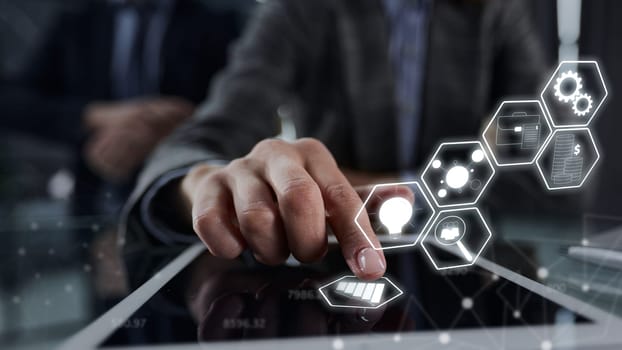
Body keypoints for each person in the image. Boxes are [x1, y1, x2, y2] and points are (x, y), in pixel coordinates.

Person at [124, 0, 548, 281]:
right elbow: (201, 141)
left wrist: (373, 183)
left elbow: (552, 164)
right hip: (328, 268)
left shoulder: (496, 11)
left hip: (474, 268)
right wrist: (203, 184)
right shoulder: (299, 11)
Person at [0, 0, 239, 216]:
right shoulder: (77, 21)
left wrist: (163, 127)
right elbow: (14, 102)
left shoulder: (217, 19)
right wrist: (95, 116)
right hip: (96, 199)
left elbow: (240, 106)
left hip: (187, 197)